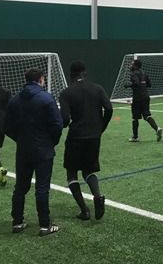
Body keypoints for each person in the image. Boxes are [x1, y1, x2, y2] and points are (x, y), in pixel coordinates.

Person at [5, 69, 63, 236]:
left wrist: (21, 139)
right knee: (42, 188)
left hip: (23, 149)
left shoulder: (15, 100)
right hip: (43, 149)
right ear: (41, 79)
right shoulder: (46, 98)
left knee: (20, 188)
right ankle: (45, 225)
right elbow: (57, 125)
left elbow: (8, 127)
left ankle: (17, 222)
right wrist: (51, 141)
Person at [59, 61, 113, 221]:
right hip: (94, 137)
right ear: (84, 74)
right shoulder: (97, 88)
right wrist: (101, 128)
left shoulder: (66, 93)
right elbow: (109, 109)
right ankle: (98, 196)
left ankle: (84, 210)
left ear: (71, 76)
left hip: (76, 137)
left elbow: (65, 119)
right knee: (89, 171)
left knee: (71, 173)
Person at [124, 59, 162, 142]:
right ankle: (157, 128)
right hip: (146, 97)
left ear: (135, 66)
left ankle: (135, 137)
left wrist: (128, 85)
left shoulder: (133, 73)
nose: (130, 65)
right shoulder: (144, 73)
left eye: (132, 64)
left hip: (137, 98)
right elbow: (149, 84)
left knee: (135, 118)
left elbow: (136, 83)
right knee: (146, 115)